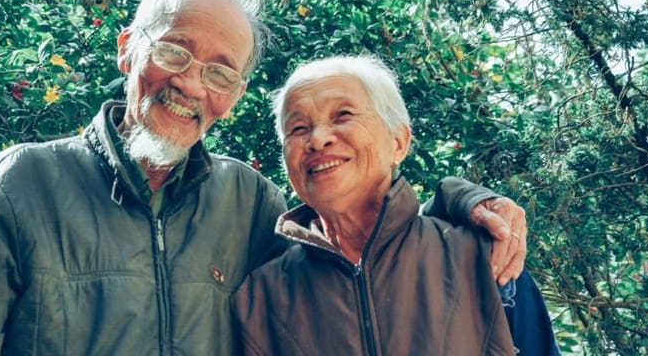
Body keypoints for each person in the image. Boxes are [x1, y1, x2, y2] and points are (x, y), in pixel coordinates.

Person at [0, 0, 531, 356]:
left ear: (234, 95)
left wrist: (463, 201)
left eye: (219, 71)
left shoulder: (248, 203)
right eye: (175, 52)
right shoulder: (22, 182)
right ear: (128, 50)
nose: (191, 84)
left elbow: (362, 257)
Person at [230, 55, 559, 355]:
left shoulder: (482, 256)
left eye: (343, 115)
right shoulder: (261, 297)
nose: (317, 139)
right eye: (297, 128)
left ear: (398, 142)